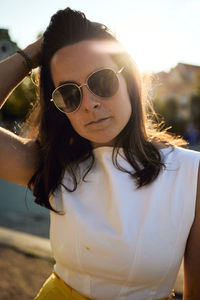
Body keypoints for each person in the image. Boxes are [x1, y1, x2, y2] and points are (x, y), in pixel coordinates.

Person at [0, 7, 200, 300]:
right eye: (68, 93)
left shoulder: (191, 173)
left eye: (102, 80)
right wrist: (33, 54)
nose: (89, 104)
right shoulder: (53, 163)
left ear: (129, 79)